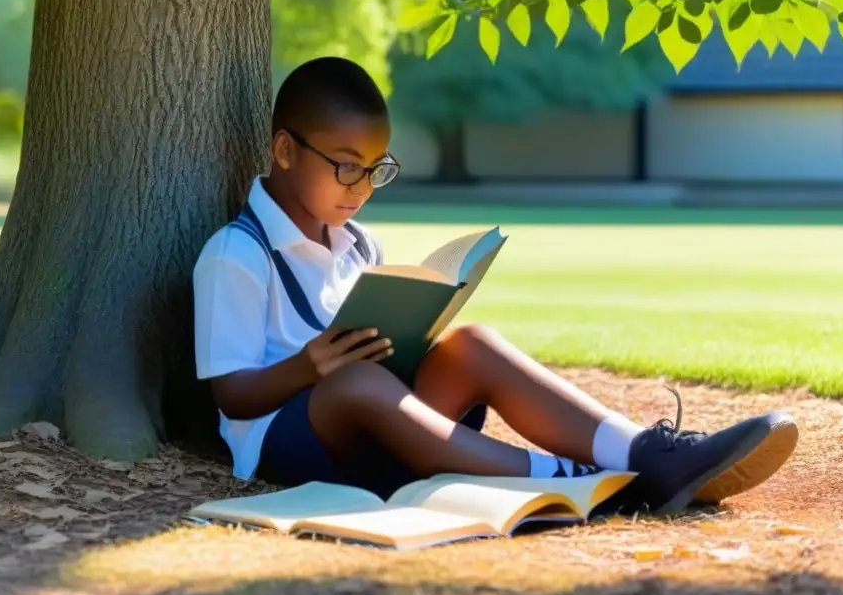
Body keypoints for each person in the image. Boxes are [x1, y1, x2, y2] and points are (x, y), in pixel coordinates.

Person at [192, 56, 798, 515]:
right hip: (293, 448)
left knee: (471, 342)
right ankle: (575, 483)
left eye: (377, 168)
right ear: (285, 150)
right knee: (354, 381)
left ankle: (646, 455)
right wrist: (309, 366)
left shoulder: (359, 244)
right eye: (347, 165)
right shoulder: (237, 254)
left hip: (383, 431)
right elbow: (232, 397)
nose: (363, 186)